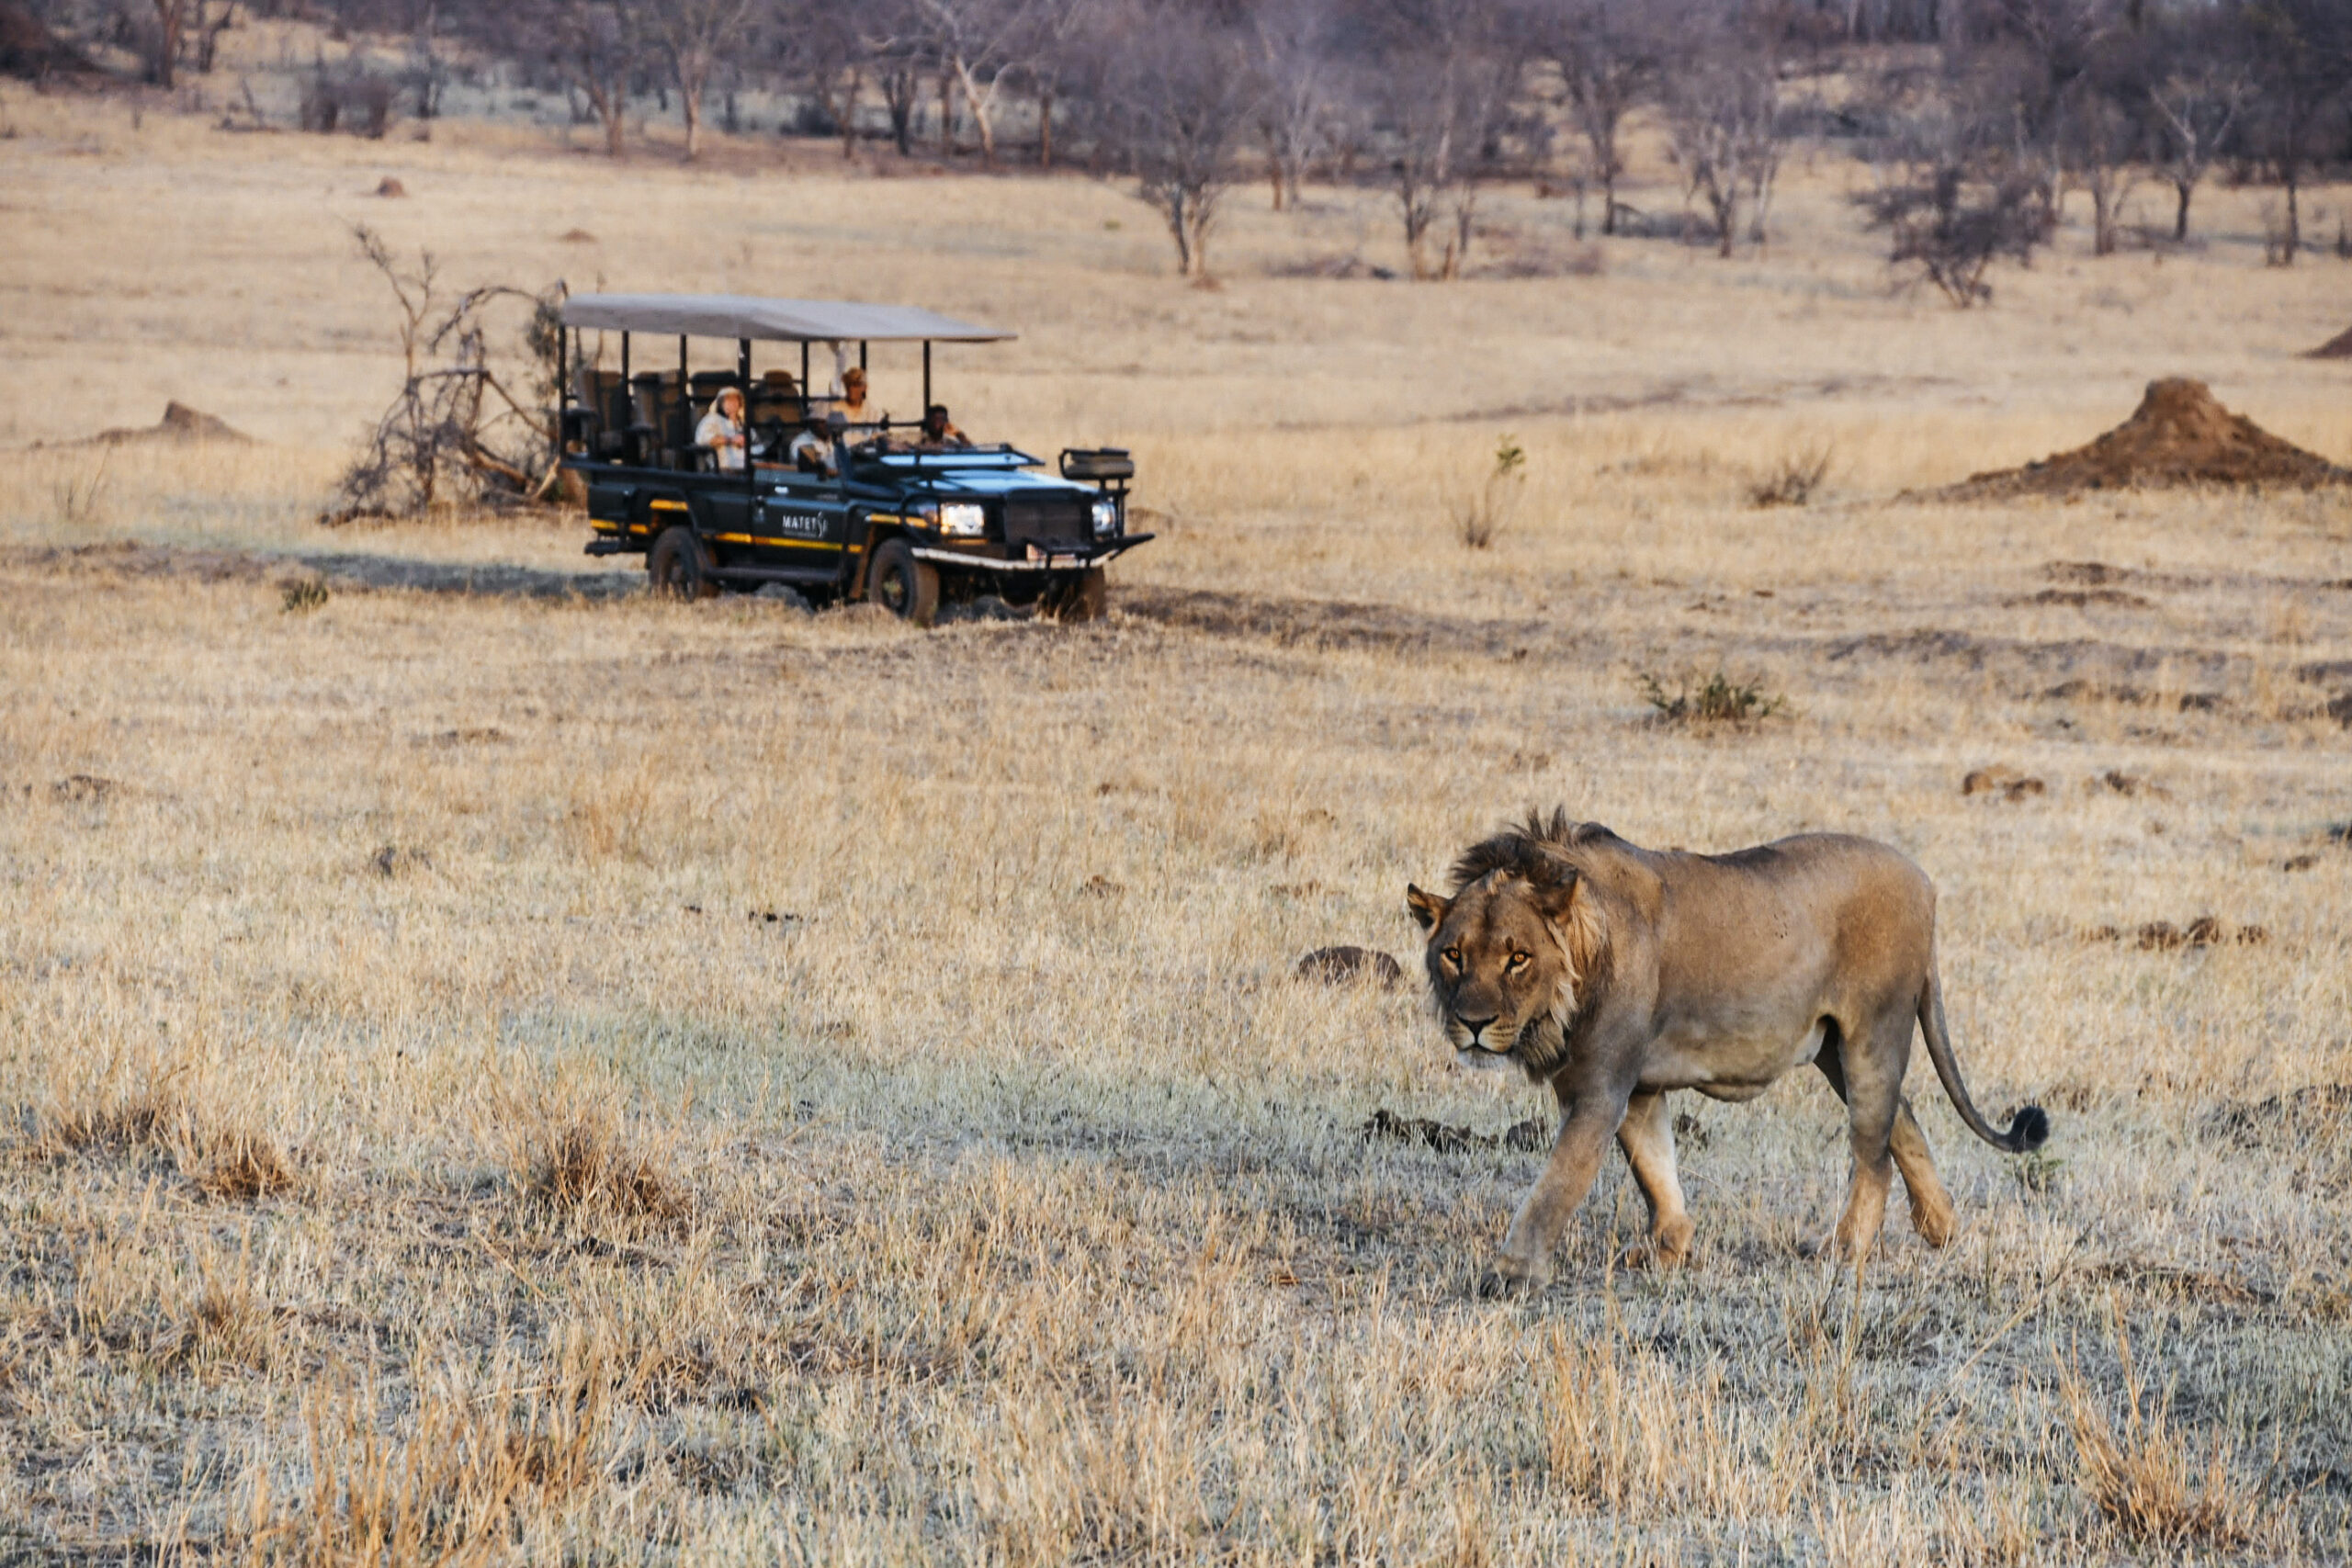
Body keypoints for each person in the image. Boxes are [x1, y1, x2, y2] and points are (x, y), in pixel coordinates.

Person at [694, 386, 746, 472]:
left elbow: (755, 440)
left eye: (735, 400)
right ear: (721, 403)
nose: (732, 403)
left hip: (747, 462)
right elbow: (704, 440)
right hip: (725, 467)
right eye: (728, 400)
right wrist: (731, 440)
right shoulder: (712, 419)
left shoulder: (741, 422)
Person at [786, 409, 846, 477]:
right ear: (812, 423)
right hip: (809, 483)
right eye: (822, 422)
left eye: (829, 422)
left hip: (836, 483)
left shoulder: (835, 440)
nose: (827, 425)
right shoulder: (802, 442)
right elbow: (811, 470)